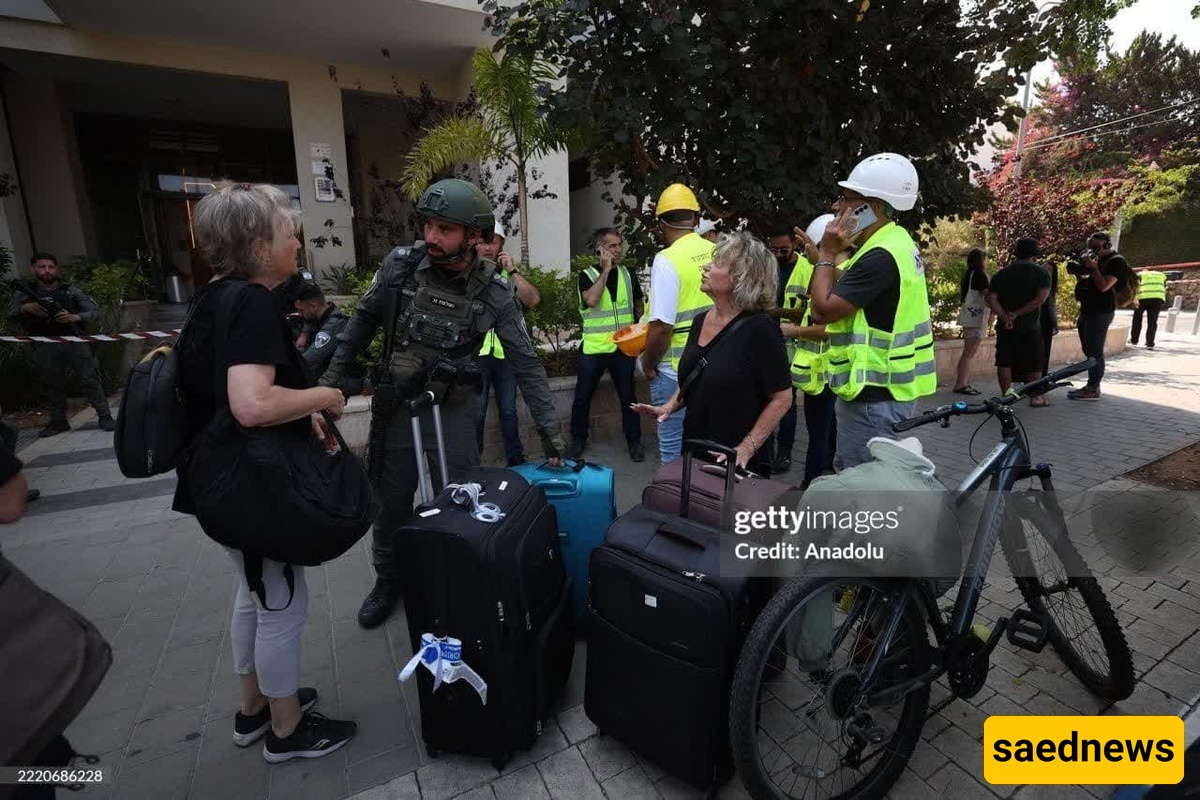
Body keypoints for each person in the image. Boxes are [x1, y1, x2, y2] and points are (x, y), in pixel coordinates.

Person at [319, 178, 567, 629]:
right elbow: (359, 326)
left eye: (445, 229)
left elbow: (527, 364)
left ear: (474, 236)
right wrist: (329, 384)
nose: (432, 236)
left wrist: (551, 433)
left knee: (459, 500)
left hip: (452, 409)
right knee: (390, 503)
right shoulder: (400, 267)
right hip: (397, 406)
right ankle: (389, 578)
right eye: (428, 225)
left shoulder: (494, 291)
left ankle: (456, 576)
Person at [173, 182, 357, 762]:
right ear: (259, 246)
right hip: (249, 486)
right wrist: (325, 396)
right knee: (282, 602)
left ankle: (254, 706)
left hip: (216, 480)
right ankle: (286, 728)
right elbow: (251, 404)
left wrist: (302, 407)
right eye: (288, 234)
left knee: (253, 594)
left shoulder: (211, 298)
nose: (297, 243)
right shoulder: (251, 302)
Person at [804, 153, 936, 471]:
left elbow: (822, 311)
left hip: (872, 400)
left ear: (872, 208)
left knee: (861, 481)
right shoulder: (896, 242)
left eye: (846, 199)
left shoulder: (880, 256)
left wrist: (827, 252)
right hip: (886, 395)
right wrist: (823, 262)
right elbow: (852, 286)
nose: (836, 207)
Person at [632, 232, 792, 475]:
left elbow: (782, 398)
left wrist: (746, 448)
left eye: (718, 263)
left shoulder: (761, 329)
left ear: (742, 277)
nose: (706, 266)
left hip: (737, 460)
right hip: (695, 449)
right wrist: (669, 406)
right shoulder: (700, 320)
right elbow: (695, 376)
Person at [640, 183, 716, 465]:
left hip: (675, 371)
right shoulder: (718, 252)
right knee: (709, 444)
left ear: (661, 223)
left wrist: (648, 364)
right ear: (695, 218)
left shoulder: (666, 260)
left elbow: (662, 326)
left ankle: (674, 493)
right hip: (714, 364)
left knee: (673, 449)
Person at [6, 253, 114, 437]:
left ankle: (105, 415)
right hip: (44, 343)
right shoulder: (24, 292)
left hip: (74, 340)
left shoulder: (70, 290)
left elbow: (94, 312)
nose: (47, 270)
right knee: (53, 383)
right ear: (33, 269)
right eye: (42, 267)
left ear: (57, 269)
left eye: (51, 267)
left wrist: (75, 317)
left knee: (89, 378)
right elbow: (10, 315)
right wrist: (25, 307)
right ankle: (58, 420)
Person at [569, 227, 645, 462]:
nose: (618, 249)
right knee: (582, 397)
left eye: (619, 245)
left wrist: (638, 329)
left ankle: (634, 441)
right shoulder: (586, 275)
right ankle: (578, 441)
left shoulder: (628, 274)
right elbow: (591, 300)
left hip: (623, 348)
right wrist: (605, 271)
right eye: (612, 246)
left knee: (628, 398)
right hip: (594, 349)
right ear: (599, 249)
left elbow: (639, 304)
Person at [783, 213, 845, 488]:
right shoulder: (837, 277)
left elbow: (830, 329)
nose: (806, 253)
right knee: (828, 425)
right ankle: (828, 466)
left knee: (817, 431)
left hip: (822, 371)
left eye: (810, 247)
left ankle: (810, 485)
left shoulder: (834, 281)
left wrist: (794, 331)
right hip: (828, 368)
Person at [475, 221, 541, 466]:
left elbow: (533, 300)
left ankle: (515, 457)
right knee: (477, 411)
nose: (487, 247)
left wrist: (513, 271)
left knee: (508, 410)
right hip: (476, 356)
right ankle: (473, 460)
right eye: (482, 242)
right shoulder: (467, 275)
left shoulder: (509, 277)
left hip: (506, 356)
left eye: (493, 242)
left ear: (501, 245)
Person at [986, 237, 1052, 405]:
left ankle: (1007, 396)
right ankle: (1035, 397)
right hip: (1030, 325)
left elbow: (991, 298)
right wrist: (1016, 314)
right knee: (1033, 361)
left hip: (1005, 326)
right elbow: (1040, 299)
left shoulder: (1002, 274)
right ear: (1034, 254)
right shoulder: (1042, 273)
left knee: (1004, 360)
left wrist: (1004, 316)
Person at [764, 221, 806, 474]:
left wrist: (776, 312)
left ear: (795, 243)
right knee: (765, 399)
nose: (778, 254)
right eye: (774, 249)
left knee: (786, 403)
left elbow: (810, 313)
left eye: (783, 249)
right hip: (767, 341)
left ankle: (785, 452)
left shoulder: (807, 269)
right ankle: (766, 450)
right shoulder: (767, 267)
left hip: (795, 346)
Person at [1069, 231, 1131, 400]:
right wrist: (1078, 270)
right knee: (1088, 350)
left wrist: (1093, 268)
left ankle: (1093, 387)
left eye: (1095, 247)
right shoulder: (1095, 260)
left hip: (1101, 311)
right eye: (1089, 247)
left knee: (1095, 351)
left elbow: (1104, 286)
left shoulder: (1117, 262)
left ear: (1107, 245)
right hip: (1087, 309)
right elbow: (1085, 280)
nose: (1091, 250)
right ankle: (1091, 385)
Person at [291, 281, 356, 391]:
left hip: (340, 385)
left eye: (301, 310)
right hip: (324, 383)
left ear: (313, 307)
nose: (299, 314)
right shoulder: (315, 321)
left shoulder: (334, 324)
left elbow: (309, 359)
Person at [953, 248, 990, 396]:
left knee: (968, 352)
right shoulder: (980, 275)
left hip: (969, 317)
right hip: (976, 318)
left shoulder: (969, 274)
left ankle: (962, 382)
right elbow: (987, 295)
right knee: (969, 352)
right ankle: (961, 383)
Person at [1131, 267, 1167, 350]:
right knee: (1152, 321)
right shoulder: (1160, 275)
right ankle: (1150, 343)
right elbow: (1164, 287)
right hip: (1157, 299)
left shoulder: (1140, 275)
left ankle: (1134, 340)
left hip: (1143, 298)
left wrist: (1135, 298)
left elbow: (1135, 286)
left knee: (1137, 319)